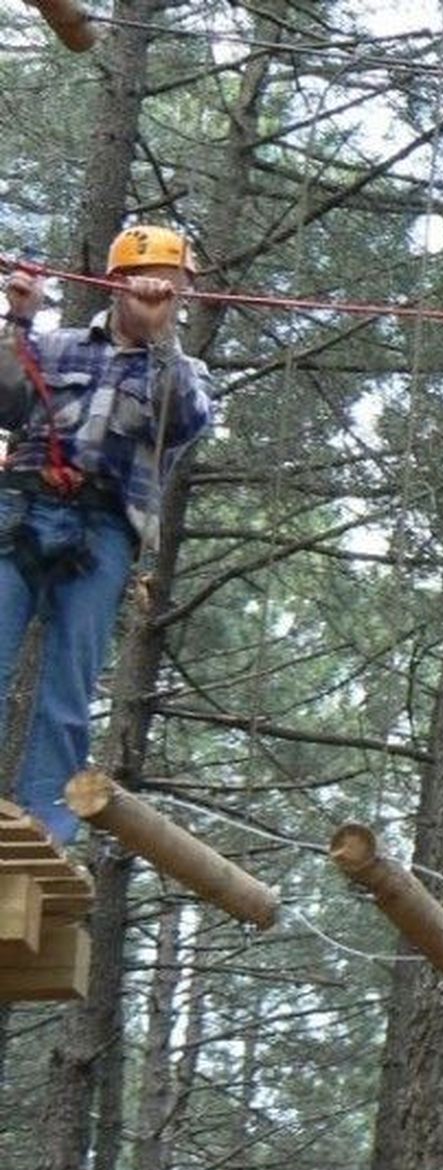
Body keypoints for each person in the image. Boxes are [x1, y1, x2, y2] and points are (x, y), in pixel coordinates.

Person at [0, 225, 212, 844]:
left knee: (69, 683)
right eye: (156, 286)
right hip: (20, 512)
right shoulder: (56, 345)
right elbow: (4, 404)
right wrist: (18, 318)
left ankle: (41, 833)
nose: (167, 298)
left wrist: (163, 336)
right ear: (117, 285)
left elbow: (183, 422)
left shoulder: (183, 369)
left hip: (104, 533)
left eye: (176, 292)